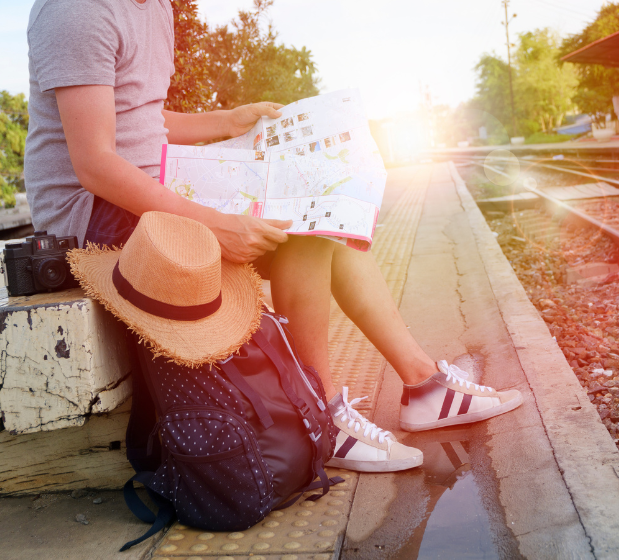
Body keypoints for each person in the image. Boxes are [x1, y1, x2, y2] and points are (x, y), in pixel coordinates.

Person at [25, 0, 522, 473]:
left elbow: (141, 119)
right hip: (92, 213)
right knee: (298, 235)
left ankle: (421, 384)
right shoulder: (77, 11)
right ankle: (320, 415)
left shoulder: (155, 8)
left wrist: (228, 122)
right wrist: (212, 222)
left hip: (154, 180)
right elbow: (95, 163)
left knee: (323, 217)